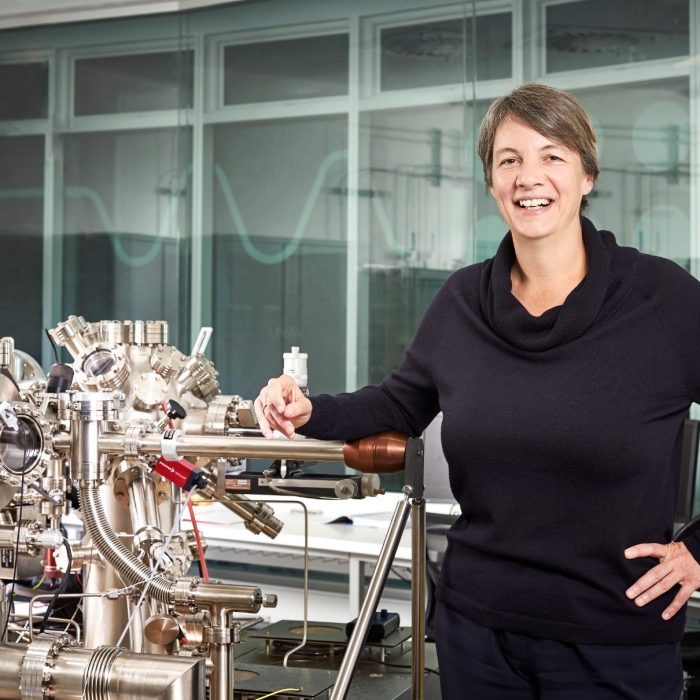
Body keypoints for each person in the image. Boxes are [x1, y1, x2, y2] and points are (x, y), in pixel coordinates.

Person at [254, 83, 700, 699]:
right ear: (491, 181)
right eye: (509, 159)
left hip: (613, 638)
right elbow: (400, 403)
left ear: (588, 176)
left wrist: (698, 550)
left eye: (552, 156)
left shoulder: (661, 299)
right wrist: (308, 410)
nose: (528, 177)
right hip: (477, 632)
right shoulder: (464, 299)